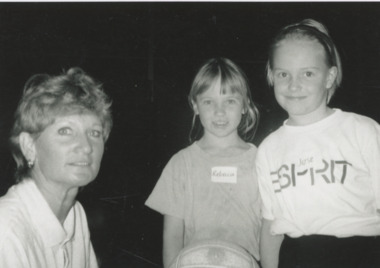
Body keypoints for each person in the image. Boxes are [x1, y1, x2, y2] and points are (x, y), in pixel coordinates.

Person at [256, 18, 380, 268]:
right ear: (271, 75)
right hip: (298, 258)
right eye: (283, 74)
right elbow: (271, 226)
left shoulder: (363, 131)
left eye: (308, 73)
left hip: (361, 254)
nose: (294, 84)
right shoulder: (268, 149)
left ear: (329, 76)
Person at [145, 57, 261, 268]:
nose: (219, 111)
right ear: (195, 105)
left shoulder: (262, 161)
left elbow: (270, 231)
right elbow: (172, 236)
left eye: (230, 101)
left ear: (245, 105)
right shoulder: (180, 164)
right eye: (209, 101)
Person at [0, 67, 113, 268]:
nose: (86, 147)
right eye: (65, 131)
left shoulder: (74, 214)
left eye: (95, 133)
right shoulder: (6, 230)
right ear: (29, 146)